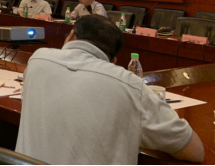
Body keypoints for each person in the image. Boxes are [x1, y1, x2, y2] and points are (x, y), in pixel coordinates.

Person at [16, 15, 204, 165]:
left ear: (71, 36)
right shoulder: (130, 85)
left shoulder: (38, 60)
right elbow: (195, 151)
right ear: (113, 60)